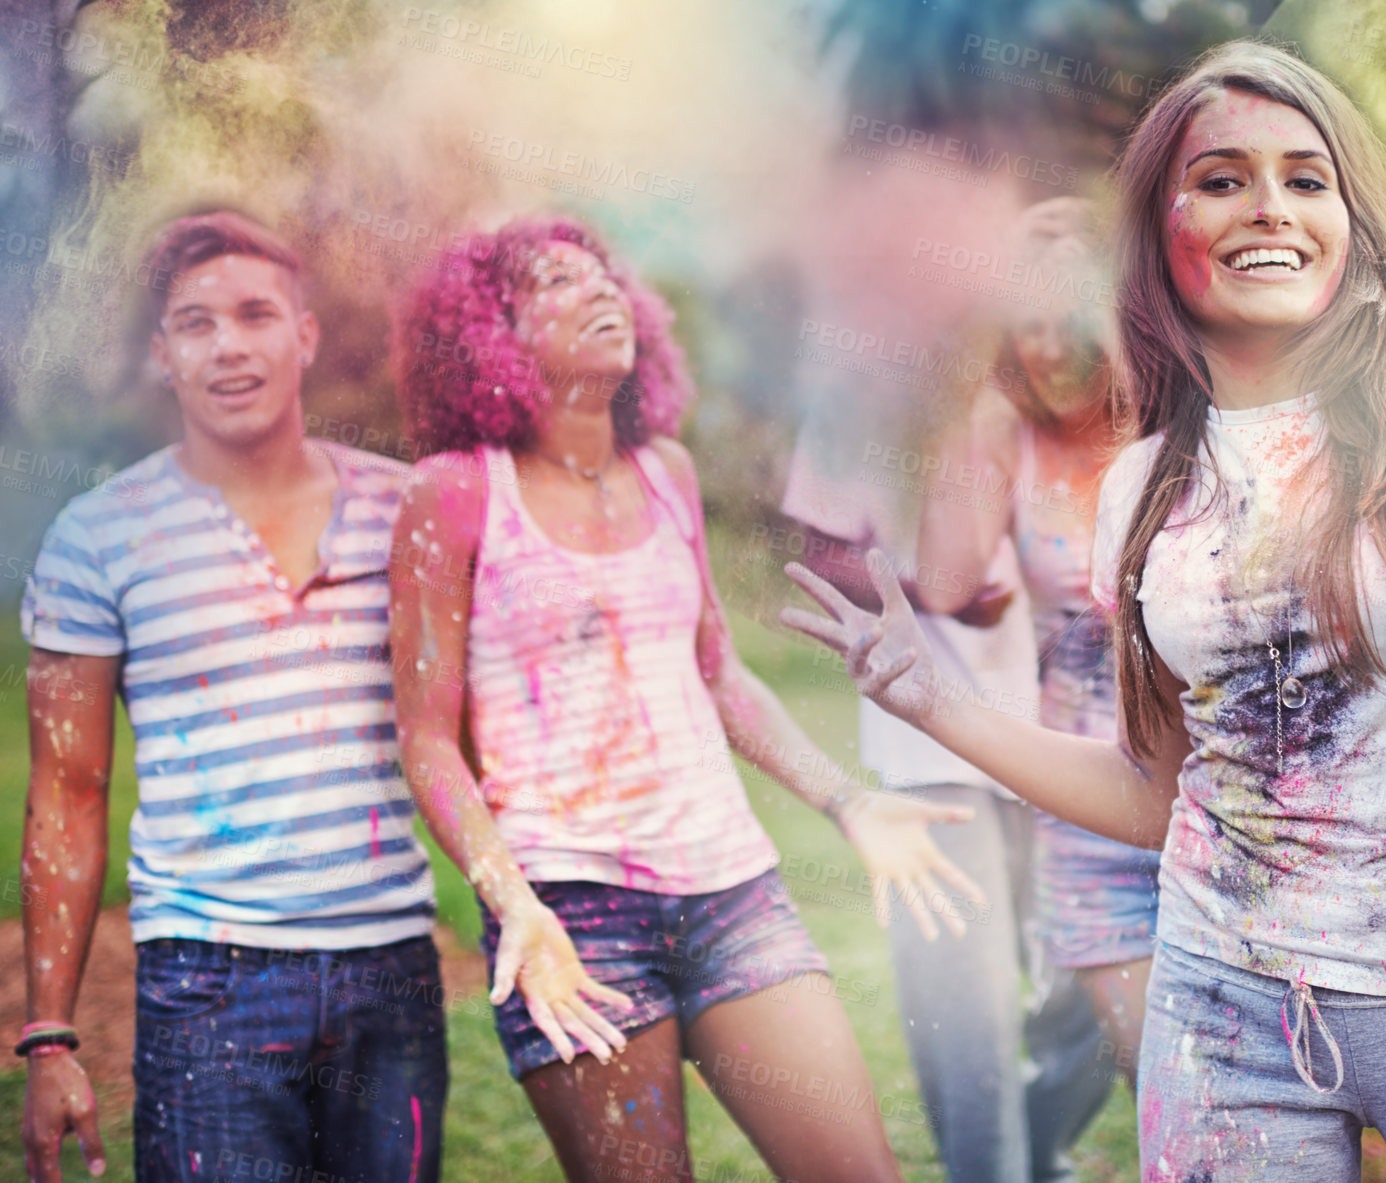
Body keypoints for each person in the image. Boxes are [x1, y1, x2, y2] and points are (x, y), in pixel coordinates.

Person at [782, 39, 1386, 1183]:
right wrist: (940, 707)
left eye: (1307, 178)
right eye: (1221, 179)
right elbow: (1163, 792)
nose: (1270, 206)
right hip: (1222, 1009)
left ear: (1355, 222)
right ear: (1161, 233)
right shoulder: (1138, 486)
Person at [388, 214, 982, 1183]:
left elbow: (718, 673)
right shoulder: (452, 493)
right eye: (553, 282)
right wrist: (514, 904)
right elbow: (426, 739)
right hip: (570, 914)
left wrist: (849, 800)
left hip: (730, 891)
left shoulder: (665, 472)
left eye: (605, 278)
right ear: (488, 334)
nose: (600, 293)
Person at [17, 210, 447, 1183]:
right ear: (162, 354)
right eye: (196, 323)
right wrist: (50, 1034)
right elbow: (68, 795)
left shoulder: (409, 505)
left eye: (255, 313)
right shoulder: (97, 536)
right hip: (208, 980)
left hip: (393, 967)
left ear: (304, 331)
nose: (229, 344)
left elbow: (480, 722)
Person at [783, 389, 1114, 1183]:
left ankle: (1037, 1143)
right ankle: (992, 1168)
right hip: (929, 749)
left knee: (1102, 991)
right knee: (969, 1026)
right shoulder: (851, 400)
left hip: (1069, 742)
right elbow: (816, 553)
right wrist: (932, 585)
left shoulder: (1061, 393)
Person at [916, 197, 1160, 1089]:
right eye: (1025, 328)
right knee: (1170, 1093)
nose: (1046, 350)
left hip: (1221, 800)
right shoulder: (1005, 432)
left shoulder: (1184, 419)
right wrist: (972, 406)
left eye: (1069, 323)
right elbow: (945, 581)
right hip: (1086, 810)